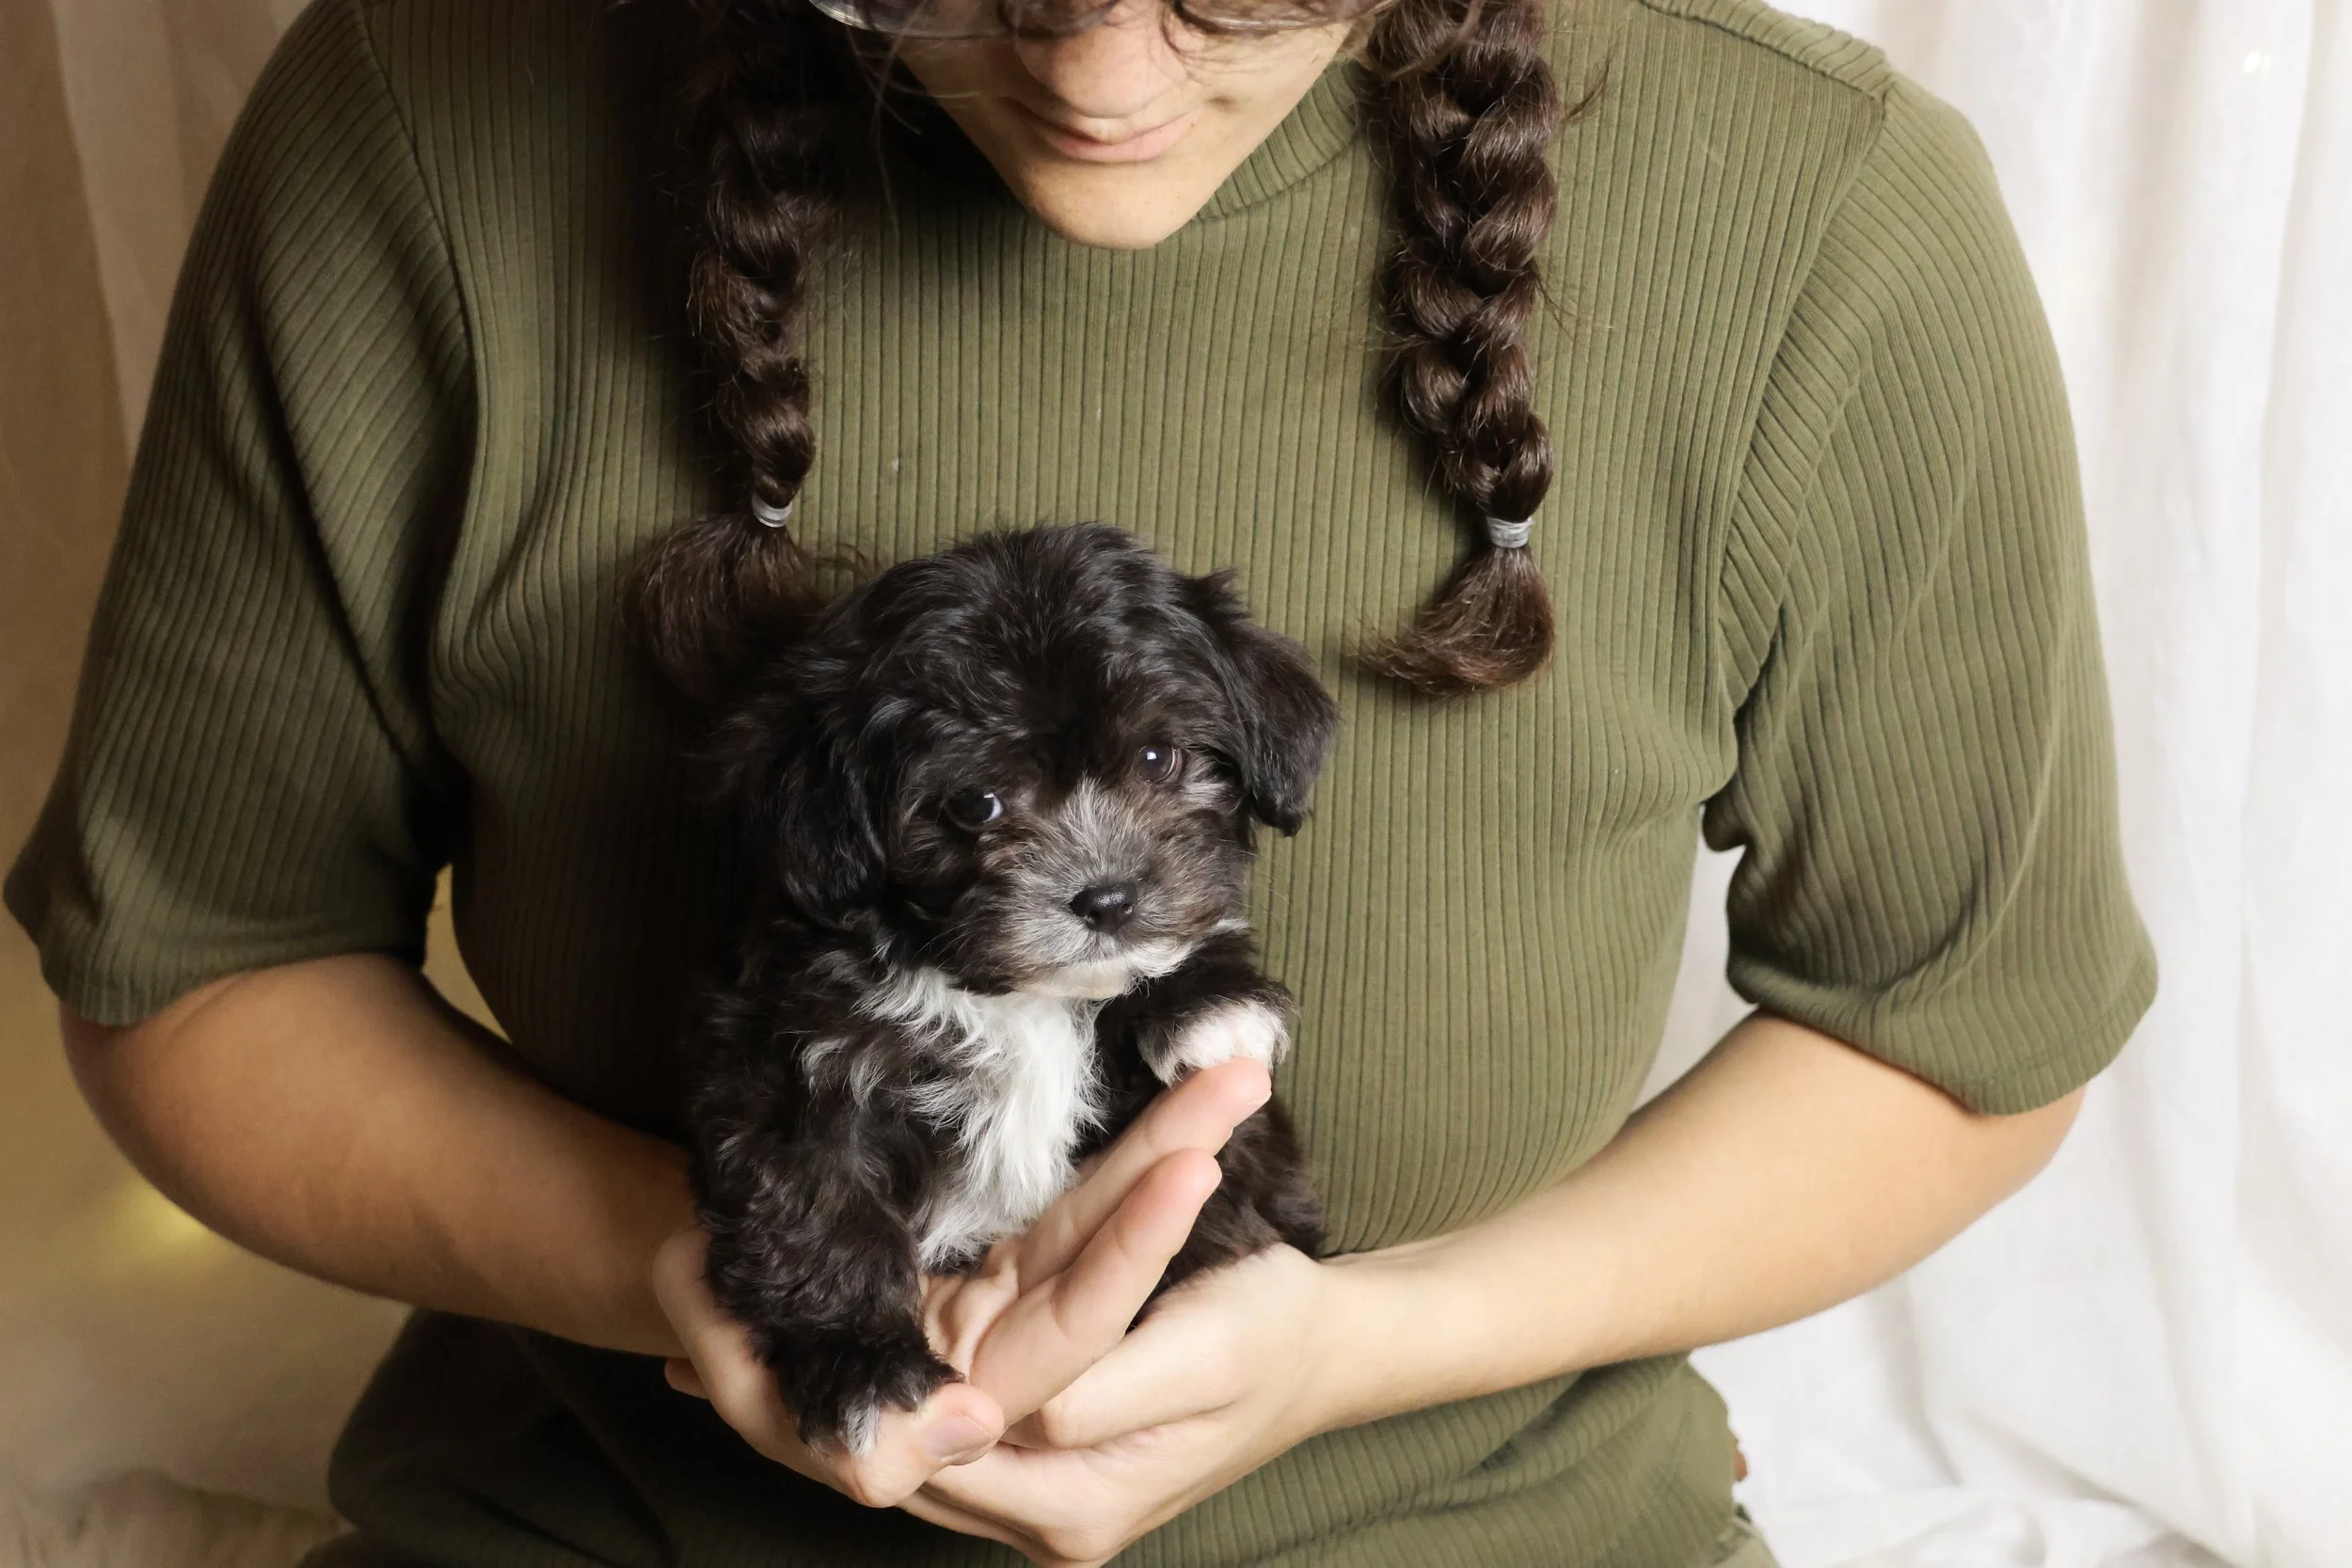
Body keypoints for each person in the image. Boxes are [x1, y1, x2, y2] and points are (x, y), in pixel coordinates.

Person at [7, 0, 2156, 1559]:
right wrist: (710, 1272)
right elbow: (199, 958)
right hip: (609, 1525)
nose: (1096, 77)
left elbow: (1953, 1028)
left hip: (1469, 1531)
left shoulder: (1814, 215)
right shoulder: (417, 118)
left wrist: (1353, 1345)